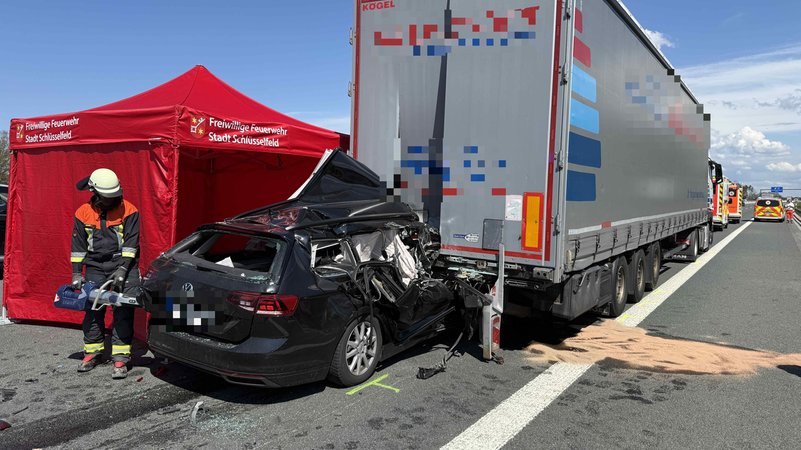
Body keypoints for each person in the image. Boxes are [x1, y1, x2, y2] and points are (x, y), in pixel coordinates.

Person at [71, 168, 141, 379]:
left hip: (124, 264)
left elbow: (131, 243)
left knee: (123, 310)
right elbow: (78, 246)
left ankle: (121, 357)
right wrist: (76, 273)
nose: (113, 200)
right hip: (95, 266)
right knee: (93, 310)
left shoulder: (129, 210)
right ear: (94, 192)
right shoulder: (82, 213)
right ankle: (92, 352)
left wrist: (123, 268)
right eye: (107, 197)